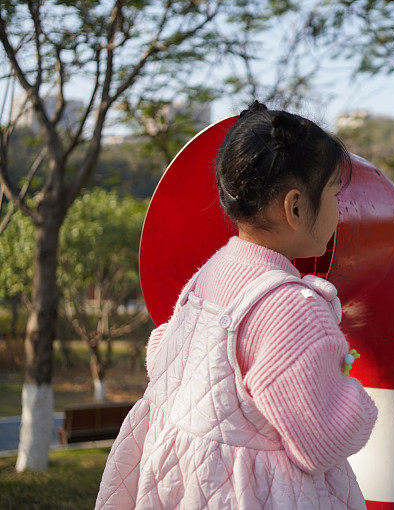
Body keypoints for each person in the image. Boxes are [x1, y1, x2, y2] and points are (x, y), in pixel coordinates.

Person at [96, 102, 378, 509]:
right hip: (250, 495)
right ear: (295, 207)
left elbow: (162, 353)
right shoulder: (290, 307)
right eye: (335, 192)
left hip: (181, 485)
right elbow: (324, 438)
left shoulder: (210, 274)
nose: (339, 211)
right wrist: (347, 386)